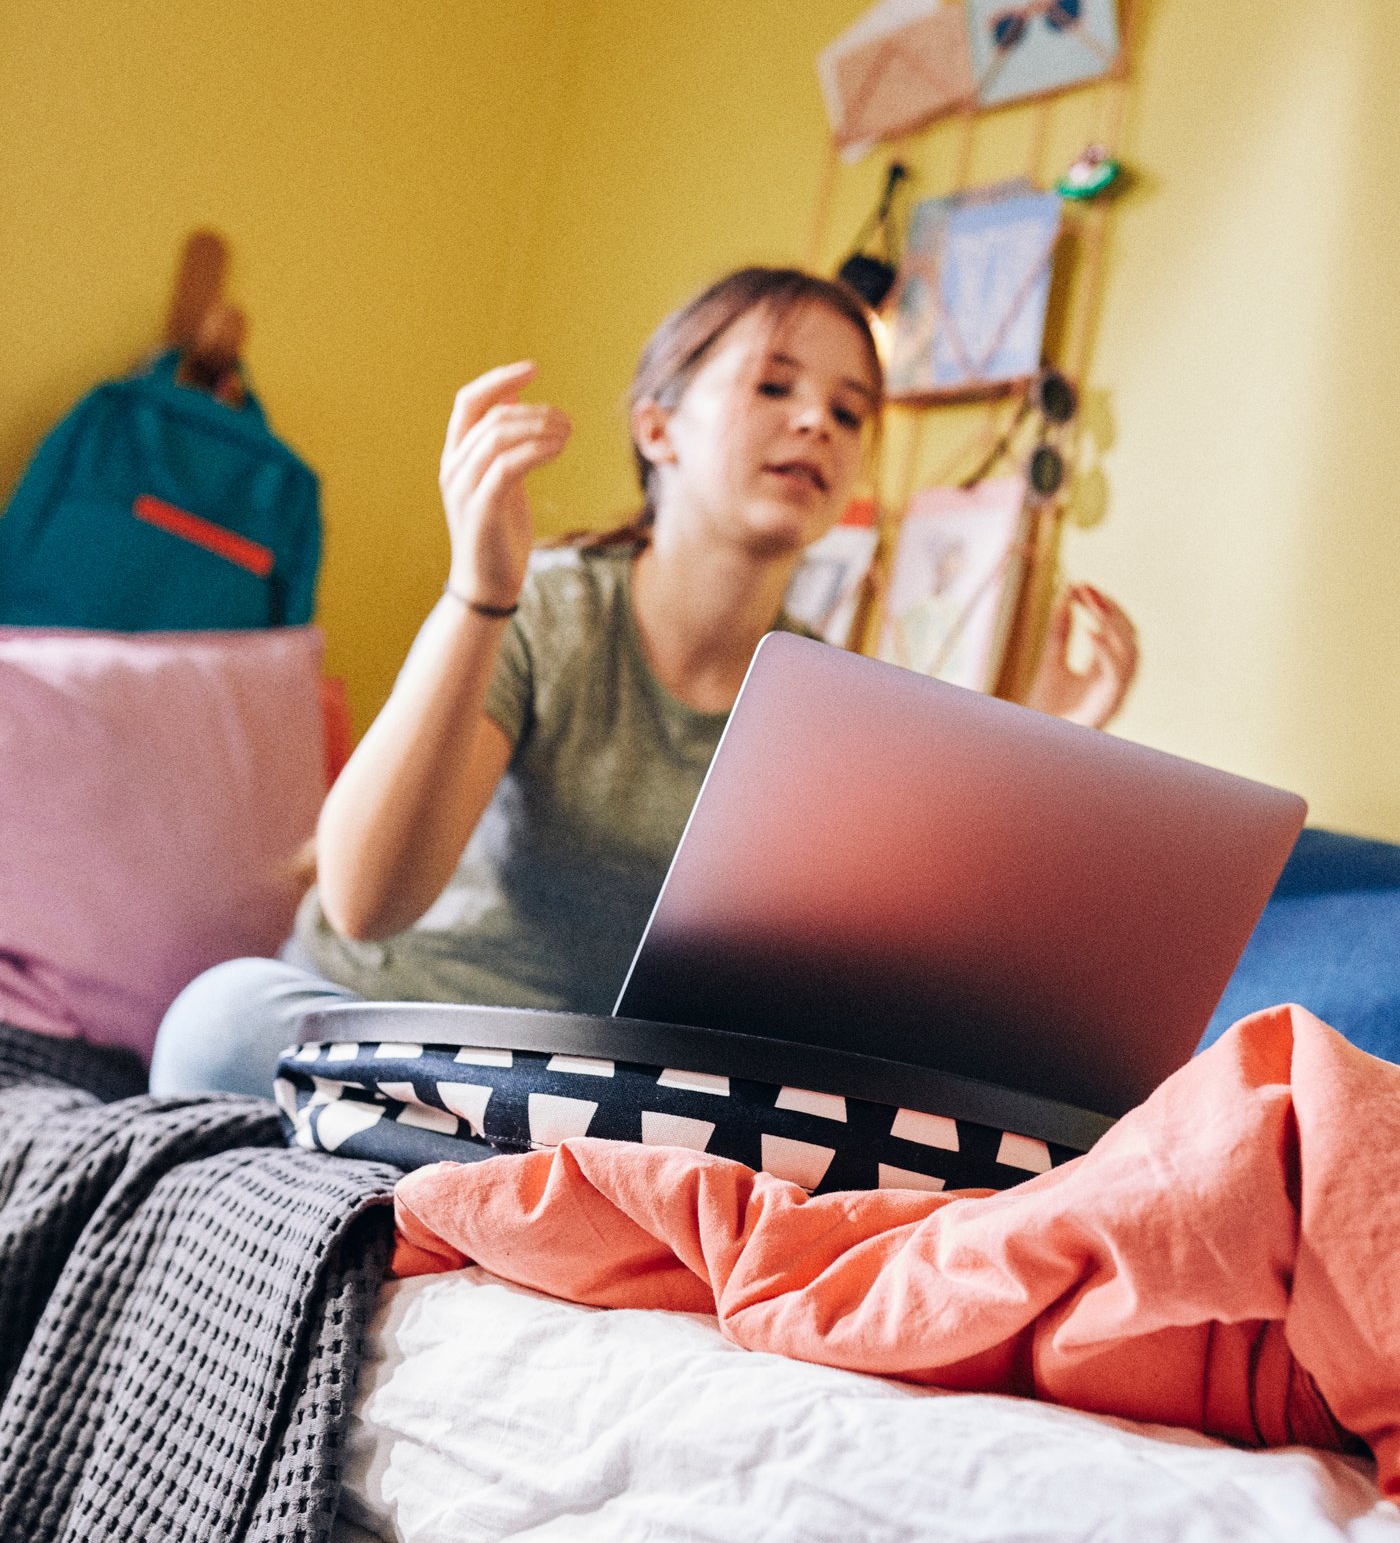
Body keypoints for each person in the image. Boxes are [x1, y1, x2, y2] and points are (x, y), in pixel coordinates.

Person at [150, 267, 1137, 1121]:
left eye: (847, 412)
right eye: (774, 385)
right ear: (657, 426)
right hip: (381, 1030)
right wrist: (480, 593)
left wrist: (1041, 751)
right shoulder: (550, 606)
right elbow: (364, 903)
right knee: (221, 1020)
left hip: (579, 1084)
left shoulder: (824, 707)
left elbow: (890, 991)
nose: (815, 423)